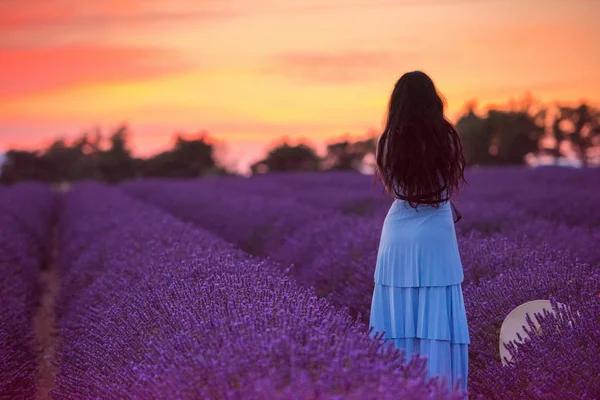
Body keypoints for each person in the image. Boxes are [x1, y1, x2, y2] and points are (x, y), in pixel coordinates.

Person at [369, 71, 470, 394]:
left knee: (397, 322)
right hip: (435, 236)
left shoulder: (388, 141)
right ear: (433, 101)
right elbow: (446, 186)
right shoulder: (447, 138)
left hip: (398, 235)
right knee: (436, 319)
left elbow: (393, 186)